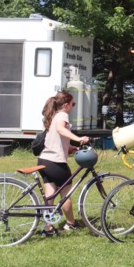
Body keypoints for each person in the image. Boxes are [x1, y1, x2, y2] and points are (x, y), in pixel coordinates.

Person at [38, 91, 91, 236]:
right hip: (56, 162)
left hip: (44, 160)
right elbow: (60, 130)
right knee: (65, 194)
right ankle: (71, 223)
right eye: (73, 104)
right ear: (66, 104)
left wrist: (70, 148)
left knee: (50, 195)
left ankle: (47, 227)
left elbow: (55, 139)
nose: (73, 107)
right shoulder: (62, 115)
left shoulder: (53, 116)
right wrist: (79, 138)